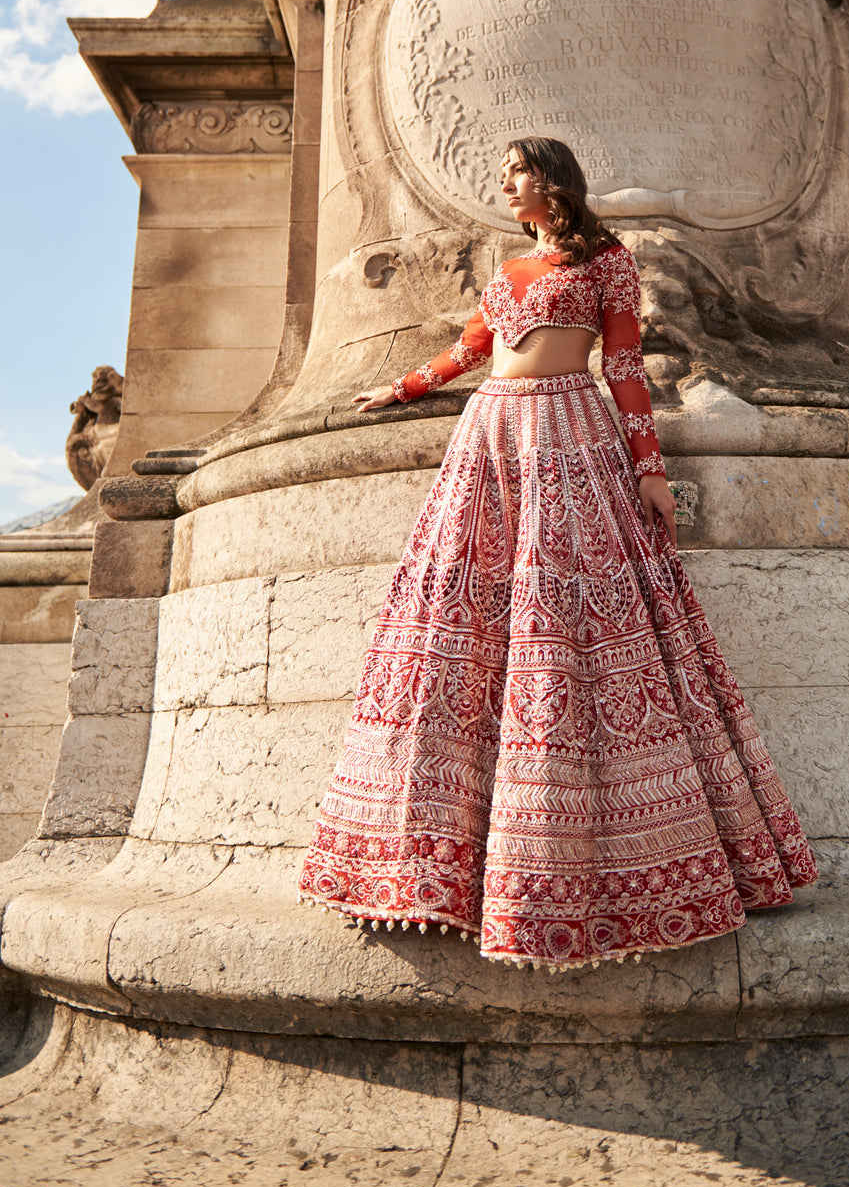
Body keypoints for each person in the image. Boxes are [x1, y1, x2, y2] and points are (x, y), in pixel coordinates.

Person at [298, 136, 816, 970]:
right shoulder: (506, 272)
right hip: (491, 433)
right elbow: (470, 349)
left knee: (574, 618)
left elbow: (625, 364)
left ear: (554, 180)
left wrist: (649, 466)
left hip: (571, 428)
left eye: (518, 174)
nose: (506, 187)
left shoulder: (607, 262)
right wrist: (400, 387)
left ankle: (597, 854)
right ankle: (434, 864)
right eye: (504, 176)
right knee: (464, 614)